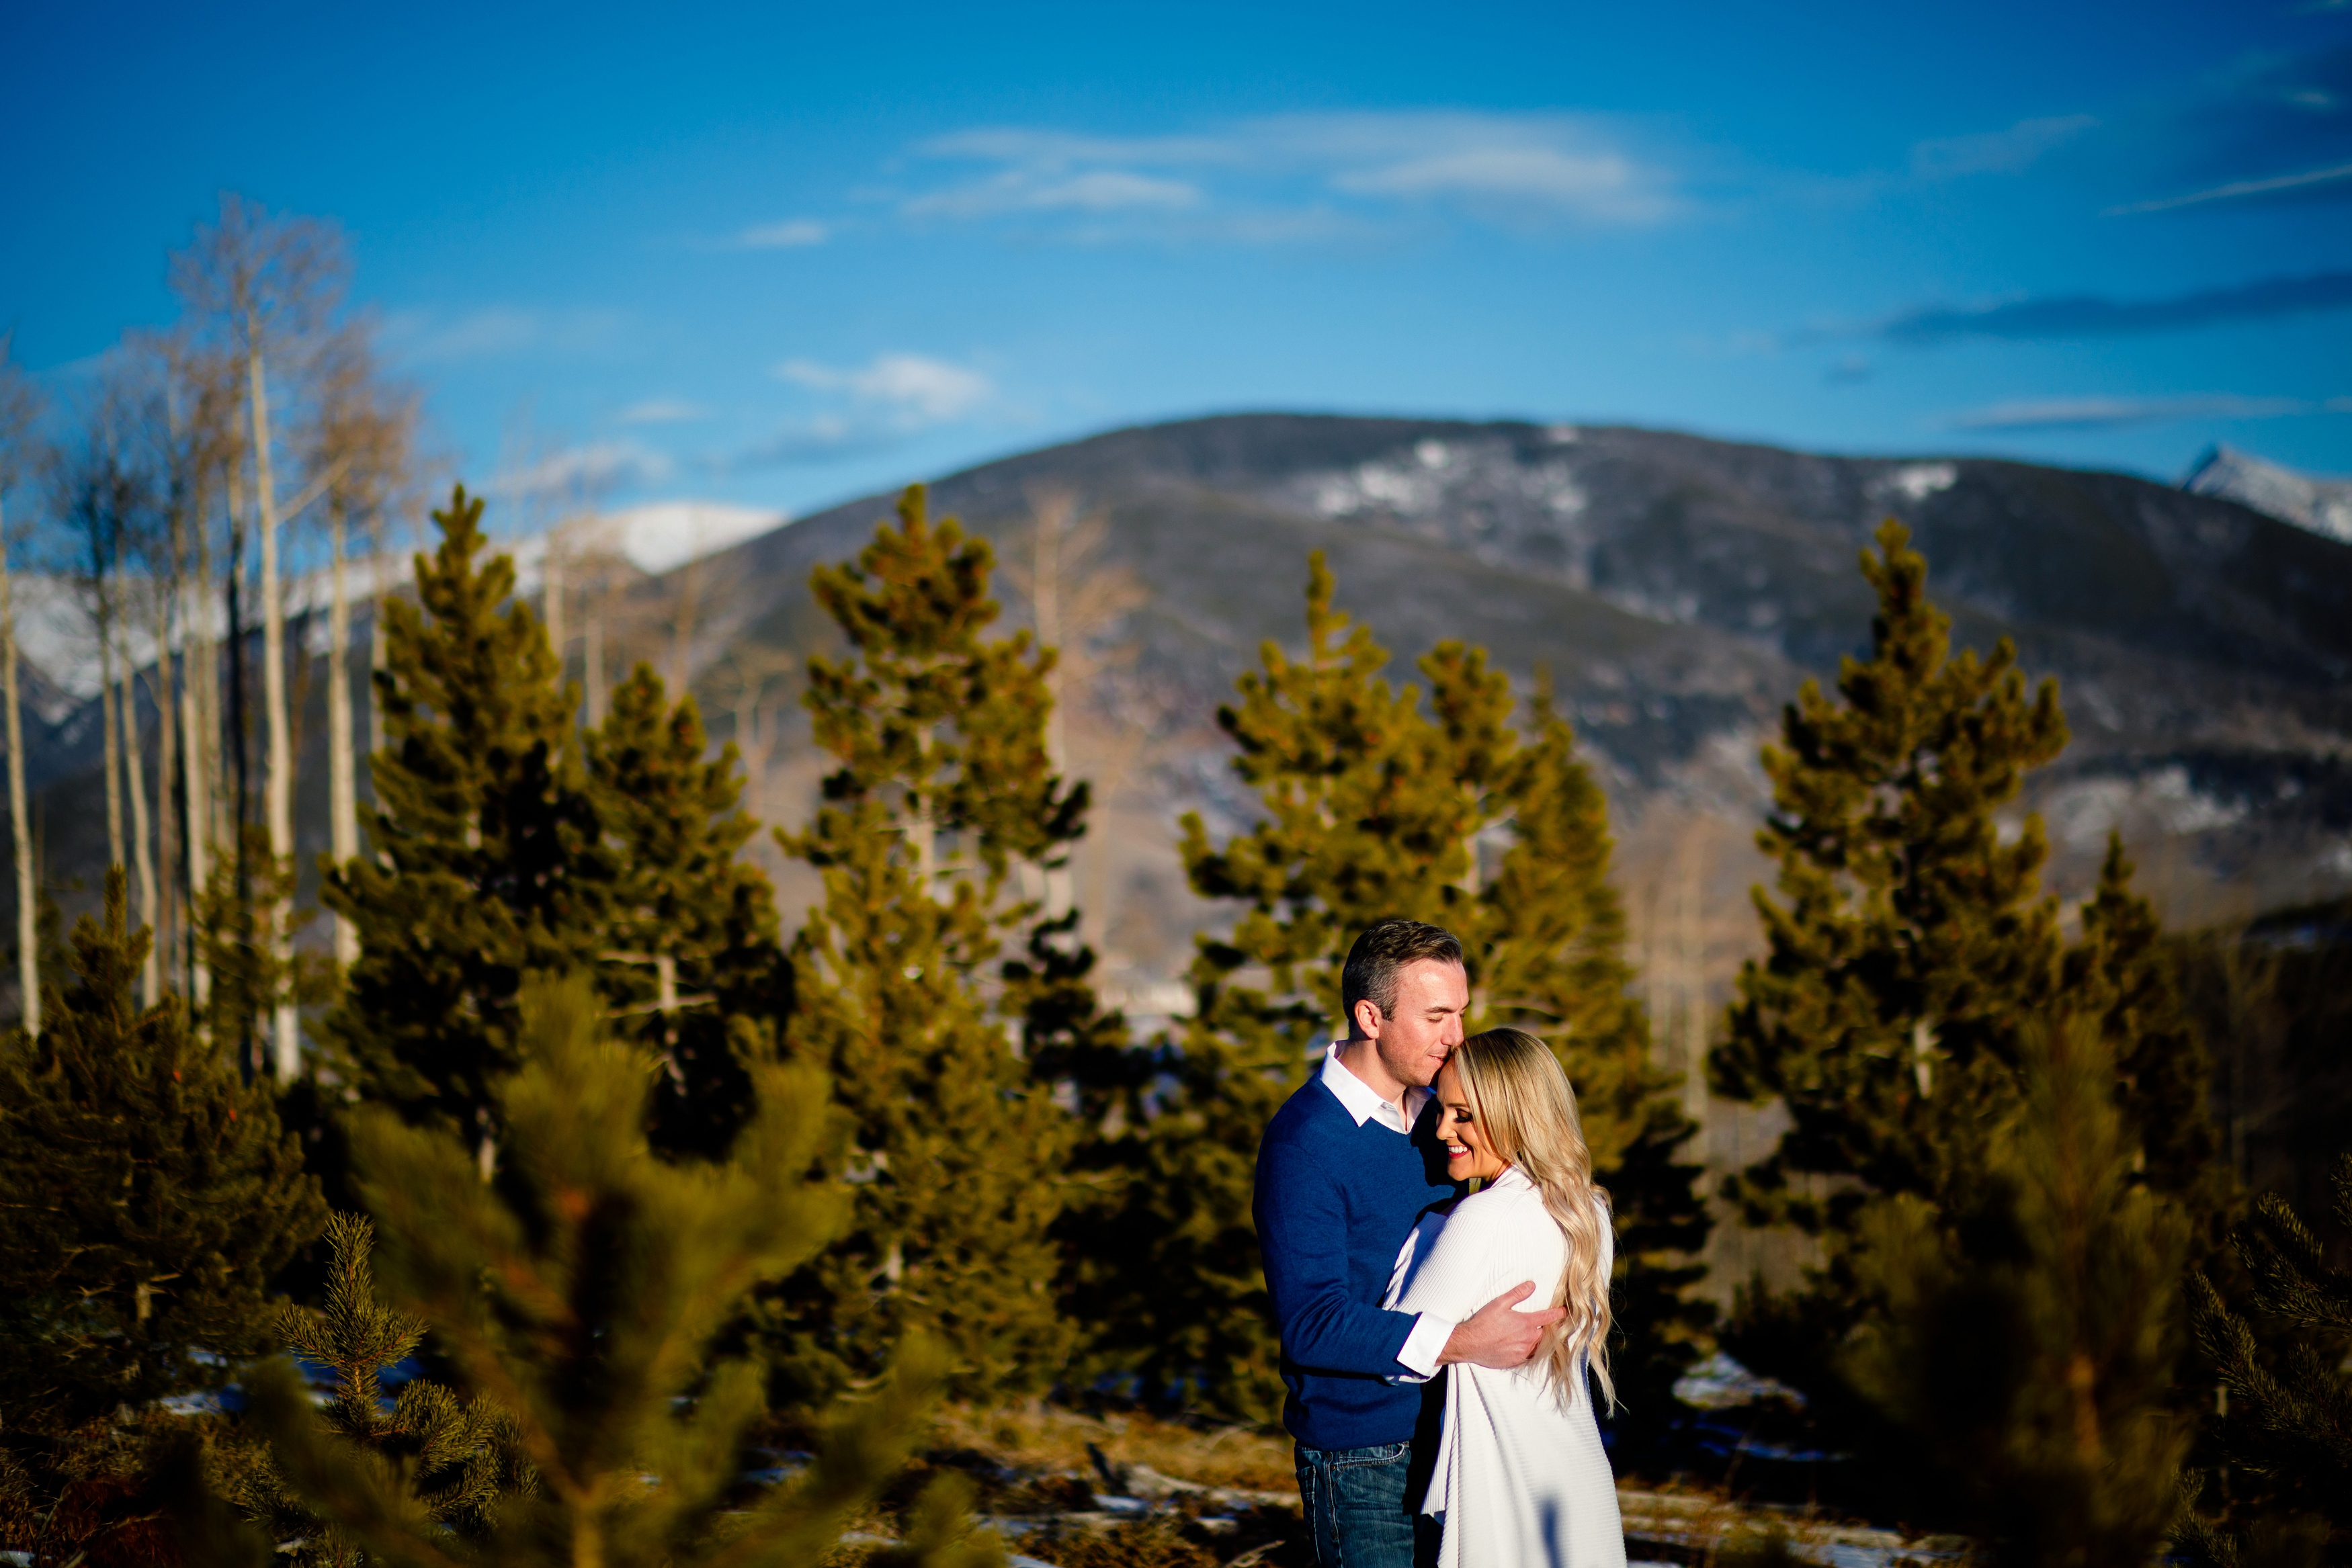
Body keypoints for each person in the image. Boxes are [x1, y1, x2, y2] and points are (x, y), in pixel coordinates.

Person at [1255, 920, 1568, 1568]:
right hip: (1363, 1459)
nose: (1457, 1036)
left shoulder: (1442, 1117)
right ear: (1372, 1016)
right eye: (1436, 1016)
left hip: (1458, 1439)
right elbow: (1311, 1325)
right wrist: (1460, 1343)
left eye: (1461, 1013)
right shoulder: (1305, 1145)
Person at [1384, 1027, 1626, 1568]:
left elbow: (1396, 1351)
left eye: (1463, 1114)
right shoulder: (1588, 1213)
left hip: (1508, 1486)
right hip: (1578, 1484)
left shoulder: (1482, 1218)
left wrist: (1426, 1229)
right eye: (1442, 1110)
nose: (1442, 1128)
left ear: (1514, 1115)